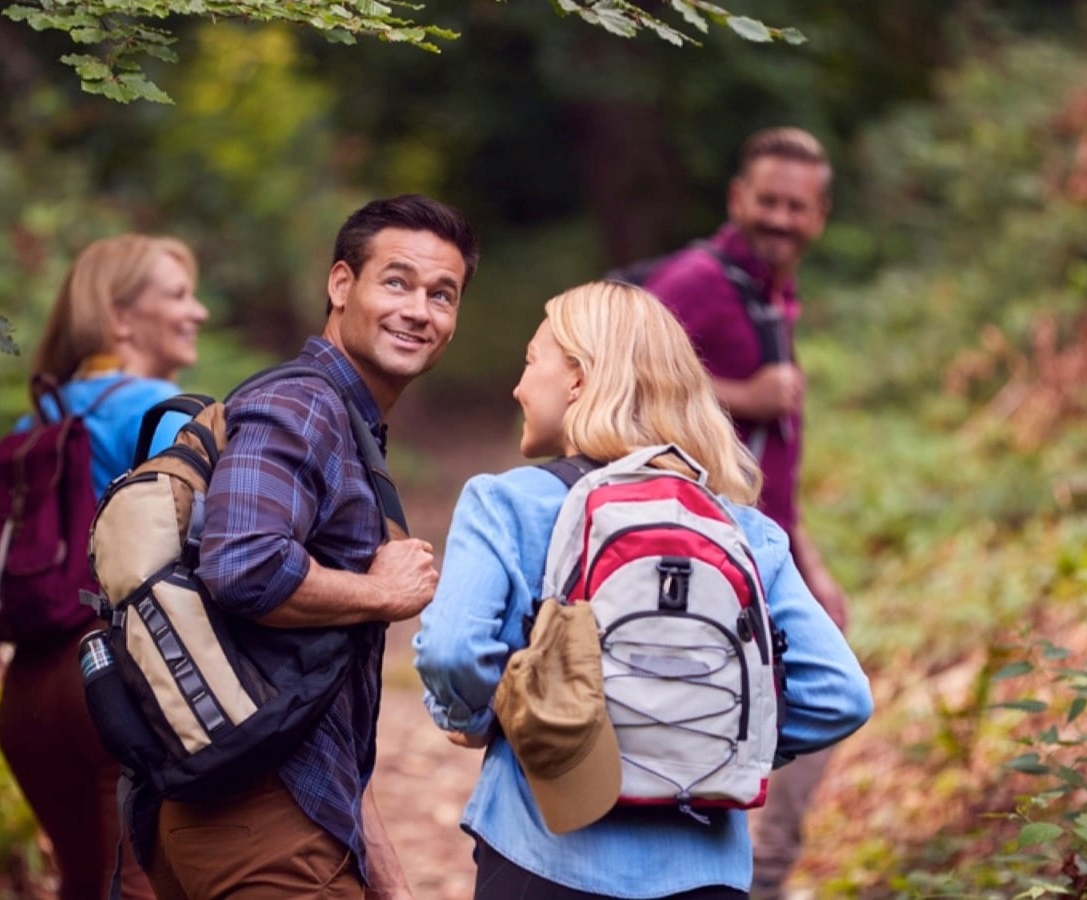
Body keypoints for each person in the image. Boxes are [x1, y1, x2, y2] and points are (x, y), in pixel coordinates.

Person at [413, 280, 871, 899]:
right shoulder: (741, 530)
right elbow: (840, 695)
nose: (520, 386)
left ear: (577, 378)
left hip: (544, 852)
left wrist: (486, 718)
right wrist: (710, 743)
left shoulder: (507, 504)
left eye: (531, 362)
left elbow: (450, 650)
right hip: (702, 870)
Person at [144, 194, 479, 900]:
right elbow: (243, 564)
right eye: (397, 281)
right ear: (340, 285)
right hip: (260, 823)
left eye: (441, 294)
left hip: (274, 803)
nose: (419, 310)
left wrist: (385, 878)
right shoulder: (305, 406)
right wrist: (383, 593)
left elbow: (317, 698)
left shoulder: (346, 419)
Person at [0, 233, 210, 899]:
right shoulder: (169, 413)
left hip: (28, 700)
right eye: (178, 295)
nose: (198, 311)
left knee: (86, 886)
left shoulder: (34, 420)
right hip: (118, 687)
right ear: (119, 318)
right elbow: (225, 548)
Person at [640, 127, 846, 900]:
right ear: (737, 199)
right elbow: (622, 373)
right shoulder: (699, 278)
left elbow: (764, 452)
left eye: (798, 206)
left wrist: (806, 553)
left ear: (820, 215)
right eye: (768, 200)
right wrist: (744, 392)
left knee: (813, 670)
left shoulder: (771, 287)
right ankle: (746, 874)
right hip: (702, 548)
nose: (781, 218)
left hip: (765, 541)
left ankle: (753, 869)